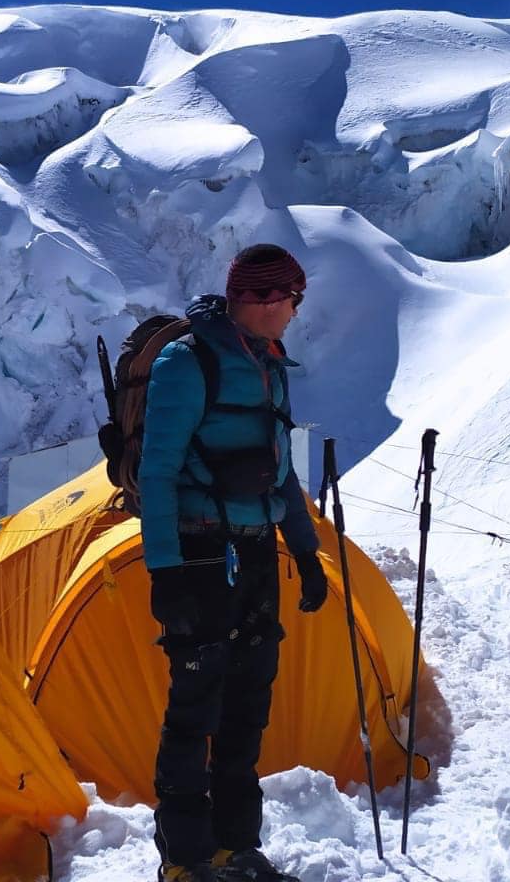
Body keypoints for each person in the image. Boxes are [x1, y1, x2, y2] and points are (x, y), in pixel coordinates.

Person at [139, 243, 329, 882]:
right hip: (197, 553)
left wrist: (305, 552)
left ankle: (235, 846)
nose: (295, 313)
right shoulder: (185, 364)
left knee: (248, 701)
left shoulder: (271, 365)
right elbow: (157, 472)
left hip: (253, 554)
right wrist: (164, 572)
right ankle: (185, 860)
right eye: (291, 300)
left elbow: (281, 471)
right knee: (196, 705)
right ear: (265, 300)